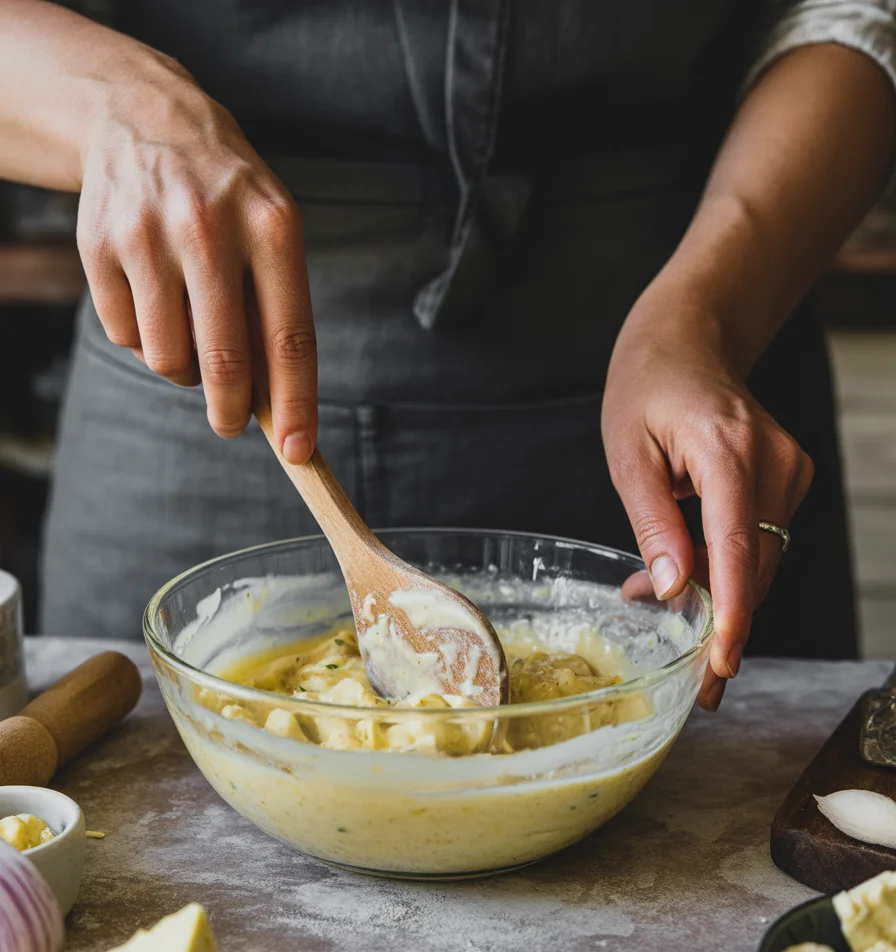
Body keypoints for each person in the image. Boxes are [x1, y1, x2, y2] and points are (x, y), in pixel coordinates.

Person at [0, 1, 893, 711]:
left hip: (702, 327)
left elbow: (846, 12)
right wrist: (117, 103)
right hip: (196, 374)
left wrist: (703, 316)